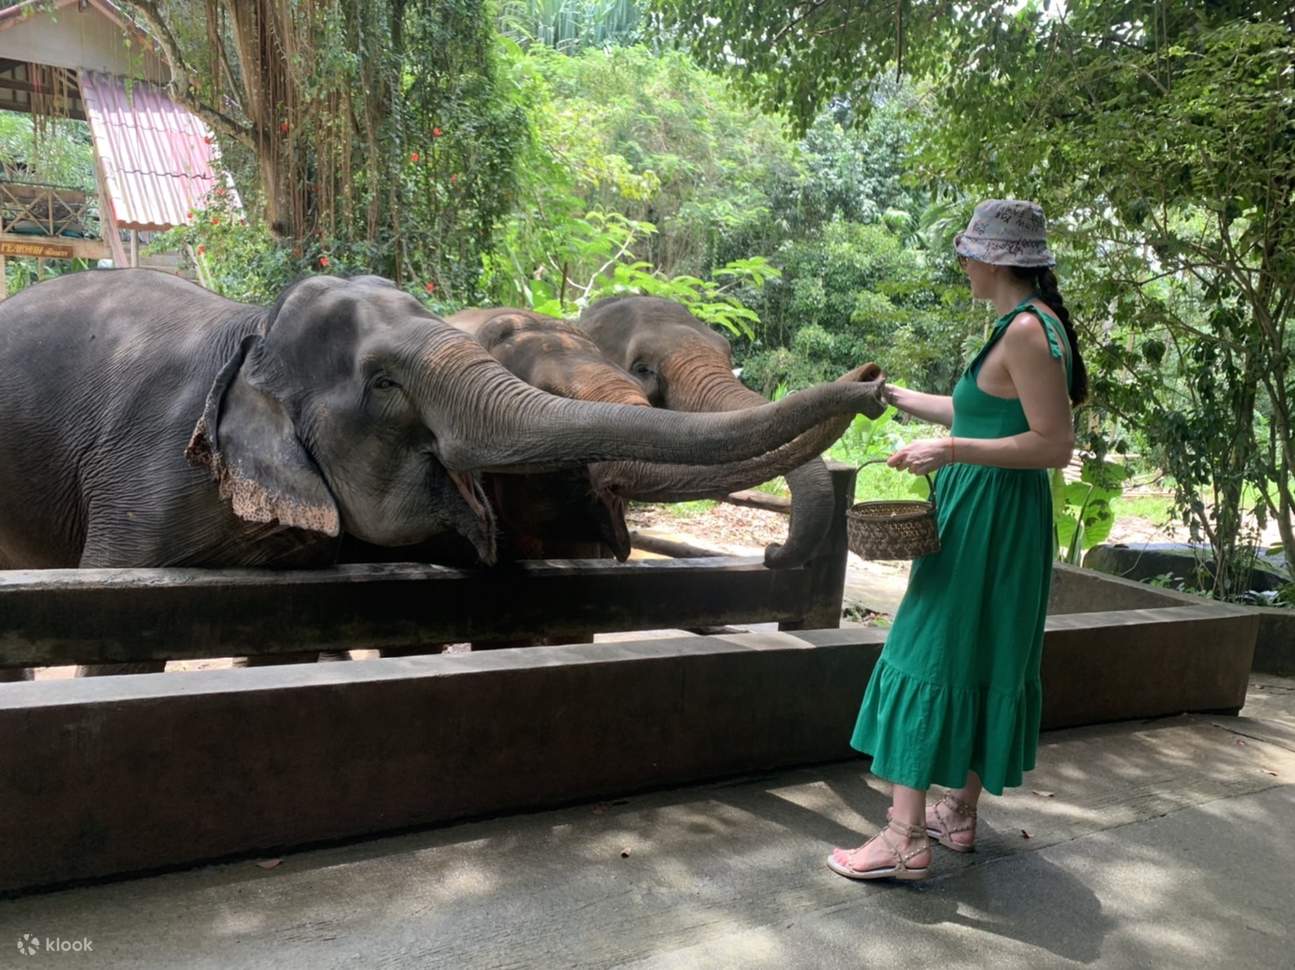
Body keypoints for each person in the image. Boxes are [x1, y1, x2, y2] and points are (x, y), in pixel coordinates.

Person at [828, 199, 1087, 881]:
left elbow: (1053, 445)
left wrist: (949, 450)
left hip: (989, 516)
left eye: (965, 254)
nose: (961, 265)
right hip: (999, 512)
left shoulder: (1028, 332)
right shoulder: (1023, 324)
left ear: (993, 260)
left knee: (928, 650)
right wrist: (902, 399)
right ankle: (955, 815)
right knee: (980, 654)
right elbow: (986, 411)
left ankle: (902, 836)